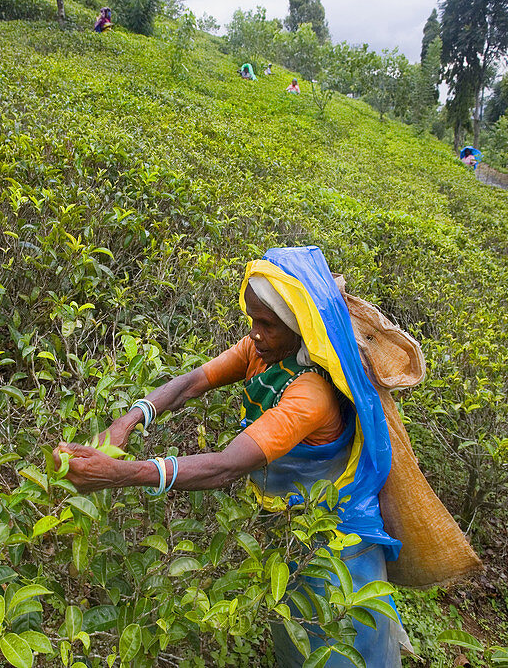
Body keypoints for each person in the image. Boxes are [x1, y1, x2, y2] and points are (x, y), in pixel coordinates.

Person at [57, 246, 411, 667]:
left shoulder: (311, 394)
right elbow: (190, 382)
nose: (255, 333)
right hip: (290, 526)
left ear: (300, 326)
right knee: (294, 637)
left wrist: (119, 474)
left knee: (338, 646)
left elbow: (226, 466)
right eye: (252, 321)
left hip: (335, 545)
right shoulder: (262, 352)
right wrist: (129, 420)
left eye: (266, 323)